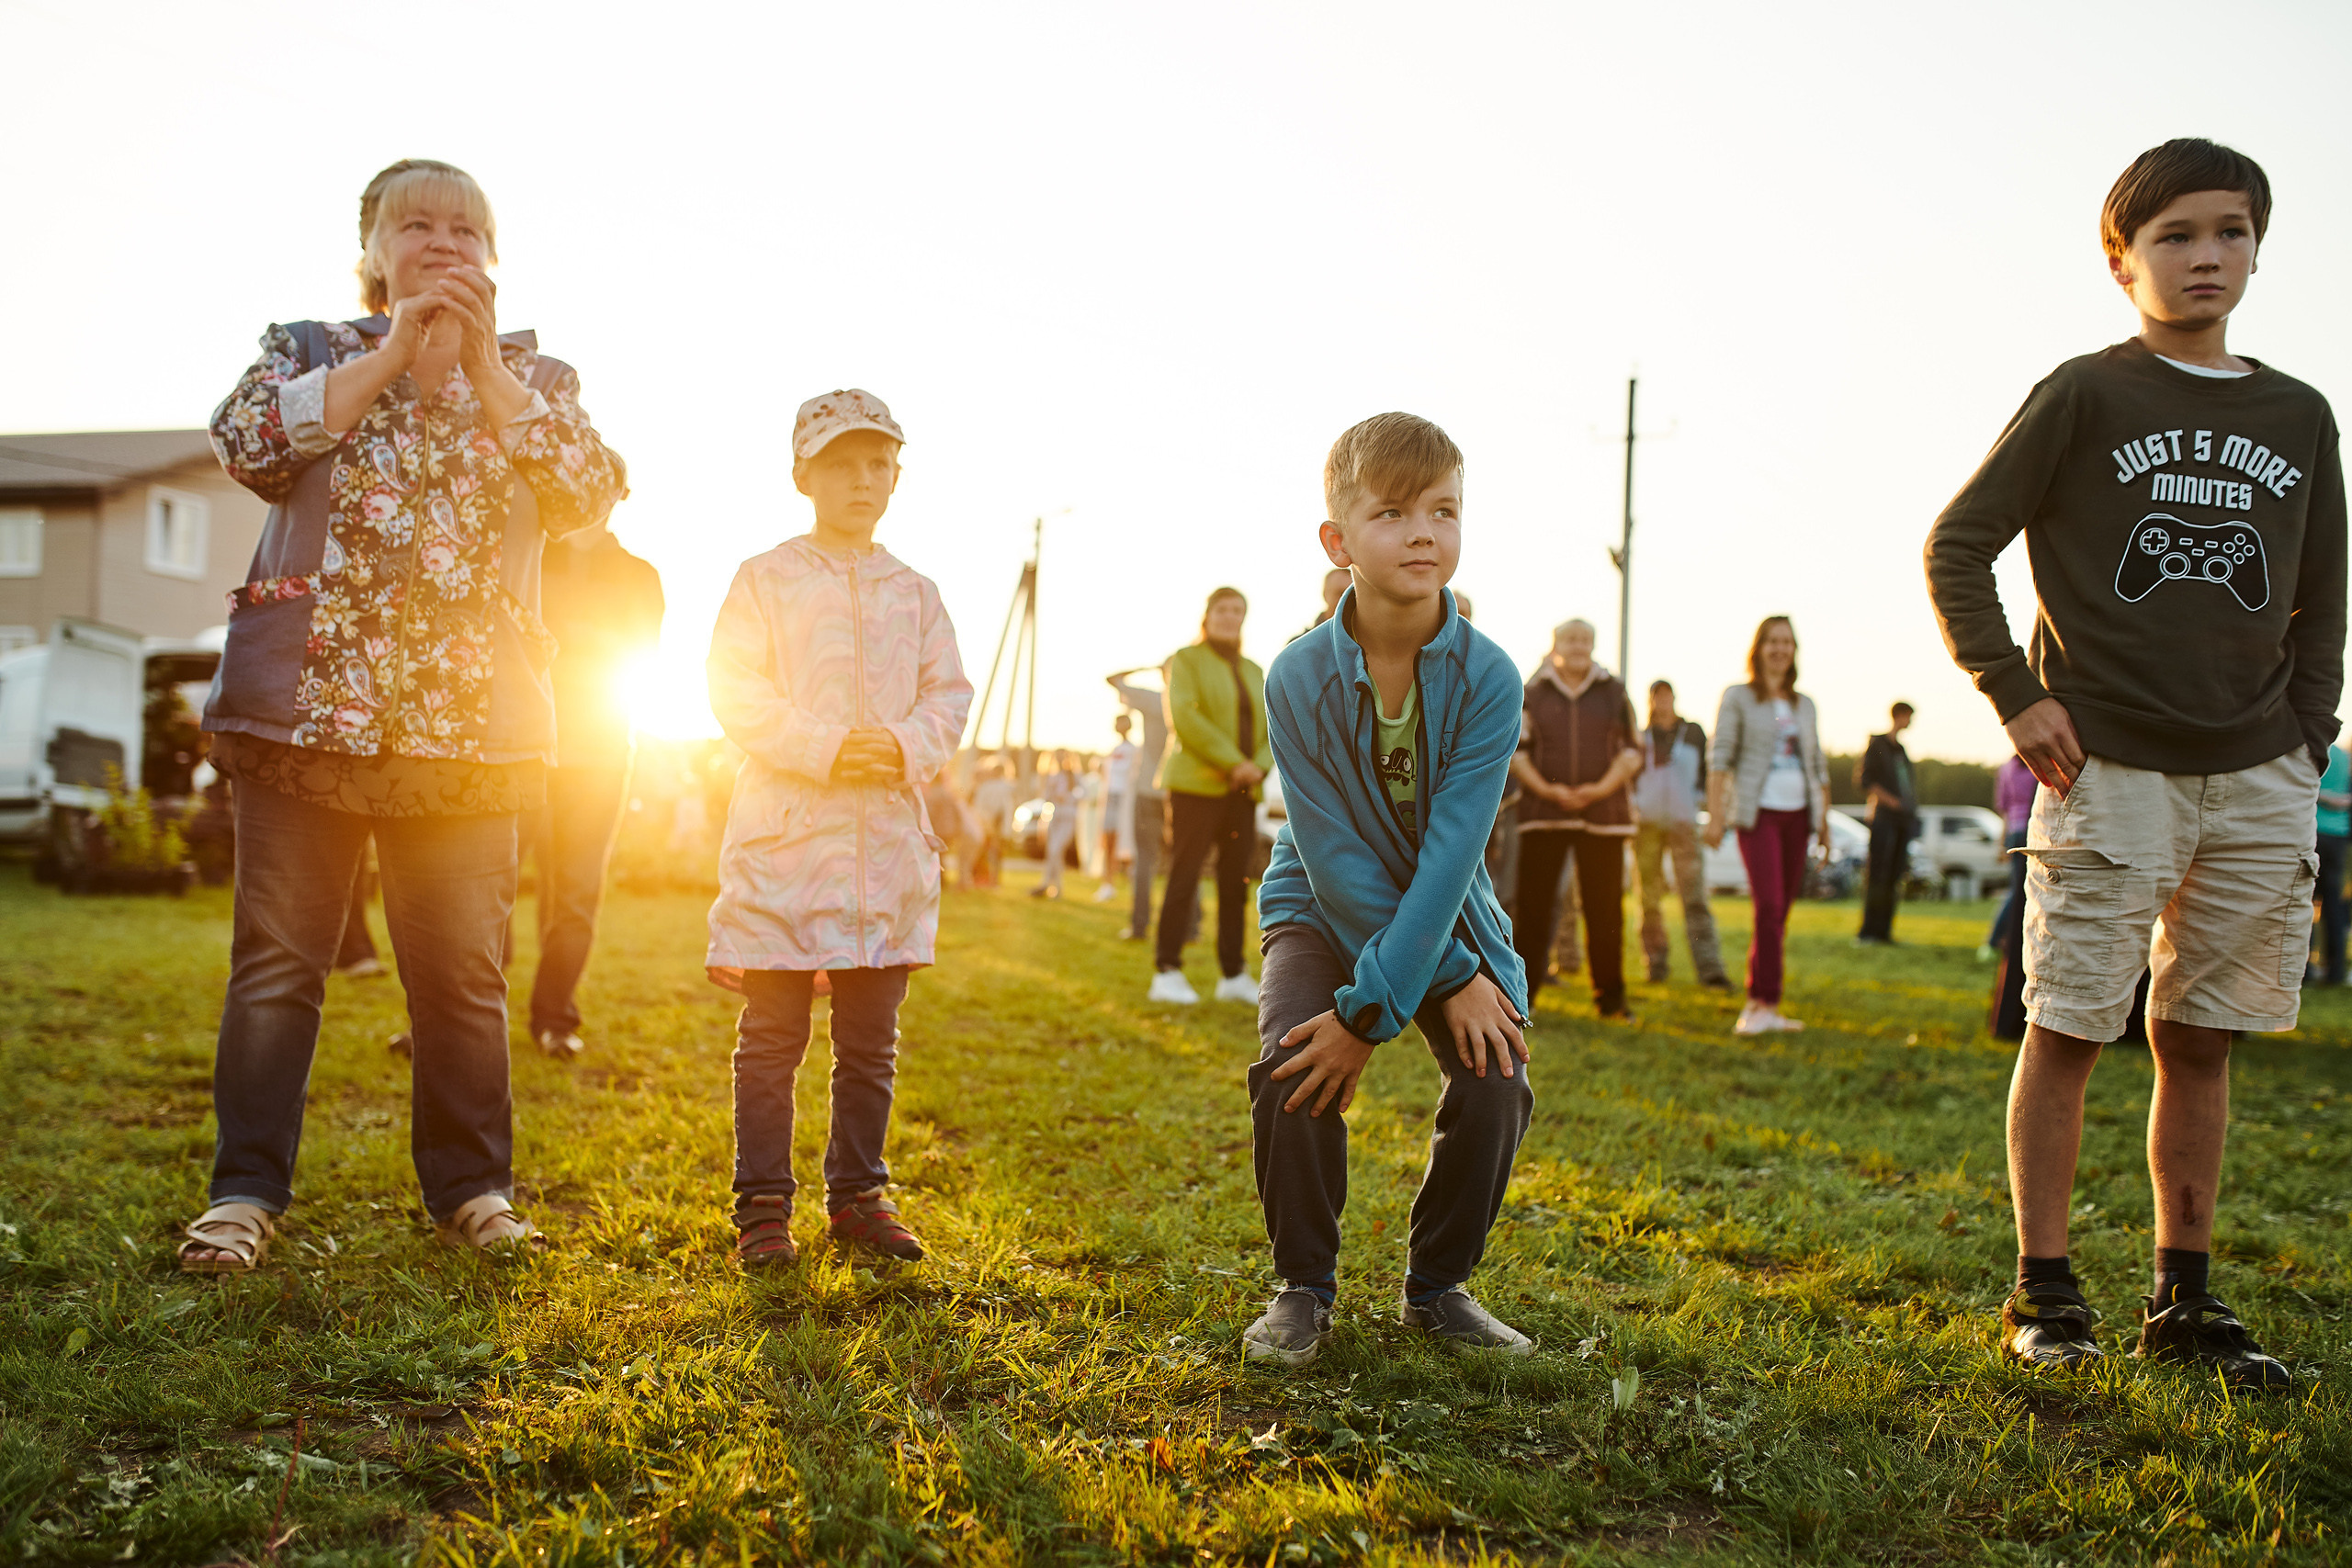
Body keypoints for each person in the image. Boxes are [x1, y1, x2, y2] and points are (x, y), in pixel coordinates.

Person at [1924, 139, 2339, 1391]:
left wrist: (2307, 730)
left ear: (2259, 246)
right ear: (2123, 260)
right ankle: (2045, 1288)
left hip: (2260, 769)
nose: (2205, 253)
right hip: (2105, 765)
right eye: (2174, 235)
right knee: (2069, 1023)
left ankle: (2186, 1296)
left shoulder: (2299, 414)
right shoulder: (2085, 396)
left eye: (2228, 231)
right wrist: (2018, 693)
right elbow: (1959, 545)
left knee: (2203, 1033)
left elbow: (2322, 595)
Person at [181, 159, 627, 1271]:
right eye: (414, 224)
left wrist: (486, 372)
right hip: (305, 714)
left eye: (464, 228)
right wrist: (390, 357)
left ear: (492, 255)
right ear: (373, 252)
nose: (442, 242)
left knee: (462, 976)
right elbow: (244, 444)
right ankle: (243, 1196)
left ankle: (472, 1192)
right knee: (279, 963)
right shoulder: (307, 350)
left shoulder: (537, 376)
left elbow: (587, 495)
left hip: (468, 726)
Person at [1244, 411, 1534, 1364]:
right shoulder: (1294, 675)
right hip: (1319, 905)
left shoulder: (1490, 676)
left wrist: (1422, 985)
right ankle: (1302, 1287)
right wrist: (1372, 1009)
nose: (1424, 533)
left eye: (1444, 511)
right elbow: (1333, 859)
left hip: (1442, 910)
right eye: (1395, 512)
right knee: (1297, 1062)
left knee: (1496, 1079)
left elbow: (1453, 854)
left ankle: (1439, 1288)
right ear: (1338, 541)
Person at [706, 389, 972, 1269]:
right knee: (773, 1037)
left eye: (878, 462)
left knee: (870, 1040)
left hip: (885, 851)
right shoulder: (766, 578)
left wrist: (897, 746)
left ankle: (858, 1191)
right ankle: (763, 1207)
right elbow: (736, 688)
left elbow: (949, 697)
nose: (864, 478)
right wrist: (827, 747)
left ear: (896, 475)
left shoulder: (917, 592)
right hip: (788, 844)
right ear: (802, 475)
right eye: (842, 463)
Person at [514, 520, 663, 1058]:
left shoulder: (638, 575)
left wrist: (563, 638)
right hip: (517, 746)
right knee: (484, 889)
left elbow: (641, 647)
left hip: (598, 753)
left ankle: (555, 1018)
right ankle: (449, 1017)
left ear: (617, 496)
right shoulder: (526, 555)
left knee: (575, 894)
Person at [1510, 619, 1642, 1021]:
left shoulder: (1614, 692)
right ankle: (1523, 1000)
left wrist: (1598, 790)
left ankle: (1611, 1001)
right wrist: (1549, 791)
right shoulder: (1530, 692)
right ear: (1555, 645)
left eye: (1586, 639)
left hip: (1604, 815)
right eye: (1571, 638)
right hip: (1543, 814)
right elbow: (1517, 750)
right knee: (1532, 910)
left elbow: (1632, 750)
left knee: (1606, 911)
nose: (1579, 646)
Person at [1703, 616, 1829, 1037]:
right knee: (1769, 905)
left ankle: (1762, 1004)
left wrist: (1824, 824)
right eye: (1772, 641)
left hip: (1799, 814)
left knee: (1779, 911)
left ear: (1795, 651)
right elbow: (1720, 757)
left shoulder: (1804, 704)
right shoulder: (1738, 697)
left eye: (1787, 642)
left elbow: (1818, 766)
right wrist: (1717, 814)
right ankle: (1760, 1005)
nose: (1780, 649)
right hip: (1758, 814)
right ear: (1758, 649)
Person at [1147, 588, 1272, 1005]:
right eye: (1222, 609)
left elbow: (1274, 725)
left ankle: (1233, 974)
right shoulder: (1186, 659)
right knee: (1185, 876)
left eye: (1238, 610)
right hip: (1194, 788)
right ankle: (1167, 970)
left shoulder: (1256, 670)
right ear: (1207, 614)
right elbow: (1185, 715)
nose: (1229, 616)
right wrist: (1234, 761)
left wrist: (1257, 764)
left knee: (1235, 883)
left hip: (1243, 791)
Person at [1632, 680, 1729, 988]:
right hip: (1646, 825)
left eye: (1666, 695)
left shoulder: (1693, 733)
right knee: (1648, 897)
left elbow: (1707, 771)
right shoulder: (1640, 737)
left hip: (1684, 823)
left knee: (1695, 896)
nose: (1661, 701)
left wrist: (1708, 806)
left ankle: (1710, 968)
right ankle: (1655, 963)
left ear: (1673, 697)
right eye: (1655, 695)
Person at [1105, 669, 1173, 939]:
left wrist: (1146, 668)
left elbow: (1112, 679)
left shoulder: (1154, 699)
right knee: (1184, 862)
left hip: (1148, 791)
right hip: (1178, 791)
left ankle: (1139, 926)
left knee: (1144, 861)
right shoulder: (1194, 703)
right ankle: (1190, 928)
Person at [1855, 702, 1918, 944]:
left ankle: (1884, 932)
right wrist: (1891, 802)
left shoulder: (1900, 750)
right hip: (1884, 819)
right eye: (1909, 717)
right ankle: (1868, 932)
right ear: (1899, 716)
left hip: (1903, 820)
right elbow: (1865, 780)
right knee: (1878, 875)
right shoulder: (1878, 744)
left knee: (1894, 876)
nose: (1910, 722)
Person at [1981, 753, 2037, 963]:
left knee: (2018, 889)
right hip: (2032, 831)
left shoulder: (2005, 768)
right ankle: (1993, 941)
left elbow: (2004, 809)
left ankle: (2007, 940)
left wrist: (2002, 843)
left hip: (2014, 831)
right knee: (2021, 890)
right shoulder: (2036, 764)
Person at [2315, 742, 2350, 985]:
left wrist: (2319, 796)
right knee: (2333, 904)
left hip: (2313, 831)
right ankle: (2335, 970)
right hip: (2339, 835)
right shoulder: (2343, 756)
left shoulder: (2314, 749)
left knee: (2302, 902)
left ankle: (2303, 969)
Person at [1098, 715, 1139, 903]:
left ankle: (1134, 884)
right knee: (1108, 840)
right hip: (1110, 798)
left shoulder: (1134, 750)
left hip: (1126, 800)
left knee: (1127, 843)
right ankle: (1108, 884)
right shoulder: (1113, 750)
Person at [1034, 750, 1080, 898]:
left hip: (1068, 816)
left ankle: (1047, 884)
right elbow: (1045, 797)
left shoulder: (1074, 776)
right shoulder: (1052, 776)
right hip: (1054, 816)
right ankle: (1056, 889)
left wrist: (1068, 797)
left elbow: (1083, 793)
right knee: (1053, 852)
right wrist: (1052, 793)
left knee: (1056, 850)